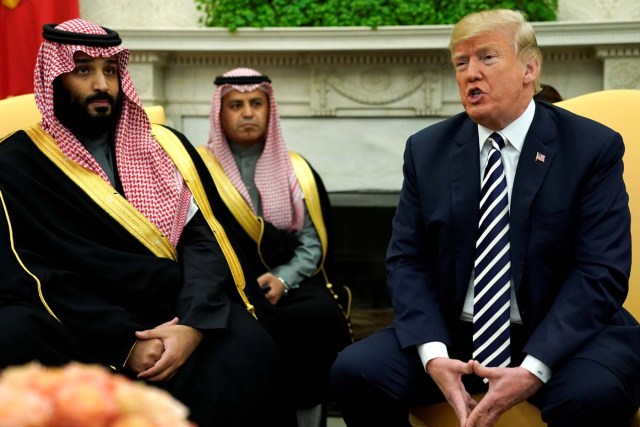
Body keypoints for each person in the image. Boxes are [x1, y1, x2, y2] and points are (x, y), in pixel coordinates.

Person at [331, 9, 640, 427]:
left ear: (530, 68)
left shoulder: (590, 148)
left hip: (561, 334)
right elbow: (408, 261)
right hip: (456, 334)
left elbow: (599, 271)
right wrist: (434, 355)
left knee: (593, 394)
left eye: (487, 58)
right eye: (461, 62)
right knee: (356, 371)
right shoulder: (427, 151)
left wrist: (534, 369)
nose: (471, 73)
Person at [0, 19, 297, 427]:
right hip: (79, 317)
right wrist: (125, 344)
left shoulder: (162, 147)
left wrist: (192, 325)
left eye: (110, 71)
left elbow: (201, 242)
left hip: (173, 306)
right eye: (83, 70)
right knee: (11, 334)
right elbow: (29, 272)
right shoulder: (15, 163)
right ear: (54, 78)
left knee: (250, 349)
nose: (102, 85)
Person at [198, 67, 353, 427]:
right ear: (219, 112)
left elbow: (312, 244)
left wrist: (284, 278)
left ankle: (307, 417)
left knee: (320, 316)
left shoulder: (296, 169)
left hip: (285, 282)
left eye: (256, 103)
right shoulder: (199, 170)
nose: (248, 112)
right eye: (235, 105)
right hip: (226, 285)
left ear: (270, 110)